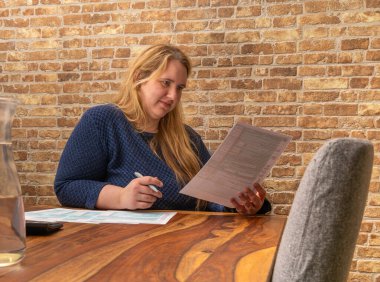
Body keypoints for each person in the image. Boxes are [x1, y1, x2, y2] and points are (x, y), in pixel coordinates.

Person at [54, 44, 271, 215]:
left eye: (179, 88)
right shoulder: (102, 121)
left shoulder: (188, 138)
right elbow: (67, 187)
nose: (173, 96)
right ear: (140, 78)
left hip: (186, 242)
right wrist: (121, 197)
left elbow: (209, 201)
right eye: (165, 83)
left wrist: (239, 205)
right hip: (124, 248)